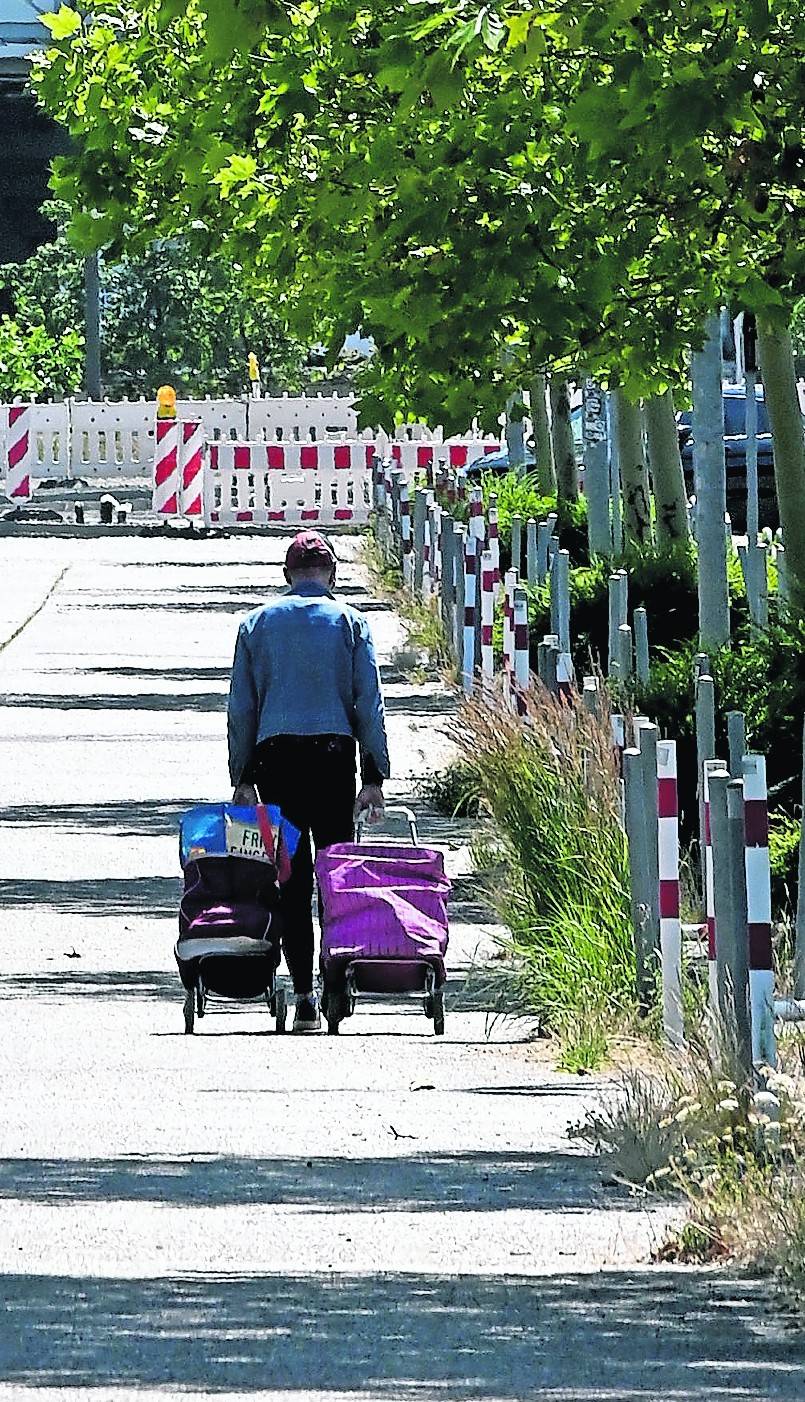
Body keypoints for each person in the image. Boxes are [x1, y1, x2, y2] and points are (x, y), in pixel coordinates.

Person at [227, 530, 389, 1032]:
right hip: (332, 760)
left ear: (286, 575)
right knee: (337, 874)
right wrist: (373, 776)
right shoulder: (351, 623)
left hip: (276, 761)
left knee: (291, 879)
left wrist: (242, 777)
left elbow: (242, 709)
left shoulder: (255, 625)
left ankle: (303, 996)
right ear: (333, 575)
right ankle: (336, 981)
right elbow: (369, 703)